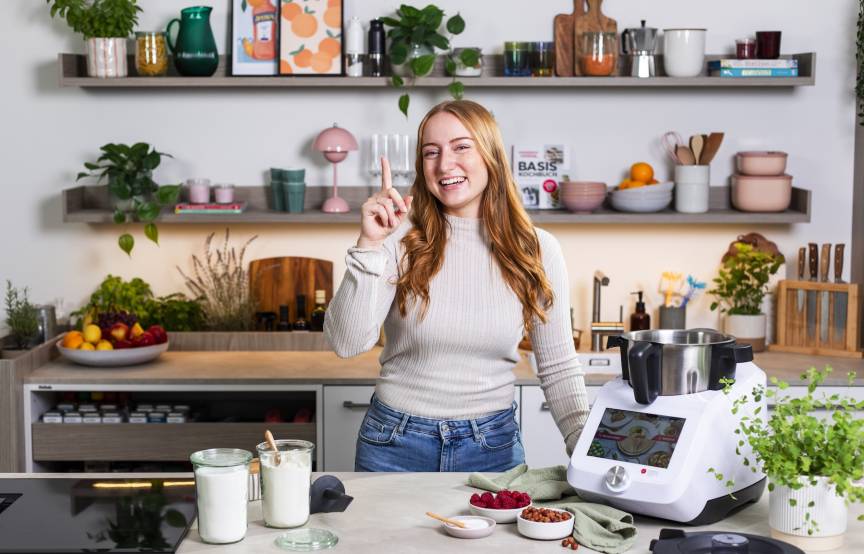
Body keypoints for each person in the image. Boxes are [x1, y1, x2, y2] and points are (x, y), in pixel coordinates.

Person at [324, 99, 589, 472]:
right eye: (431, 152)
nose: (444, 164)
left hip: (492, 447)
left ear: (490, 154)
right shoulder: (398, 237)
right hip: (394, 444)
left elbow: (558, 367)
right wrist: (368, 245)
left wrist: (590, 455)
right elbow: (346, 343)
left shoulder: (536, 249)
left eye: (461, 147)